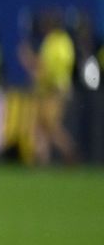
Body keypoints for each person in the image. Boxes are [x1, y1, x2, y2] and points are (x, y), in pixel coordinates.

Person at [18, 9, 78, 164]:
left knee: (50, 127)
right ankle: (41, 161)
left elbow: (46, 68)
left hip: (53, 91)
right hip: (51, 90)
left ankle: (69, 151)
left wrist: (28, 59)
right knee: (42, 127)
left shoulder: (54, 43)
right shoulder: (62, 41)